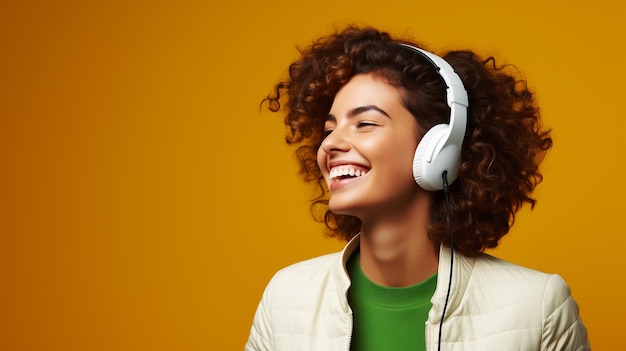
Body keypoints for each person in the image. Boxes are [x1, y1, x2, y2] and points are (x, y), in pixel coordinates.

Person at [245, 26, 590, 351]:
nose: (331, 143)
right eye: (329, 129)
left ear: (440, 150)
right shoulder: (285, 299)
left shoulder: (539, 307)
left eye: (365, 123)